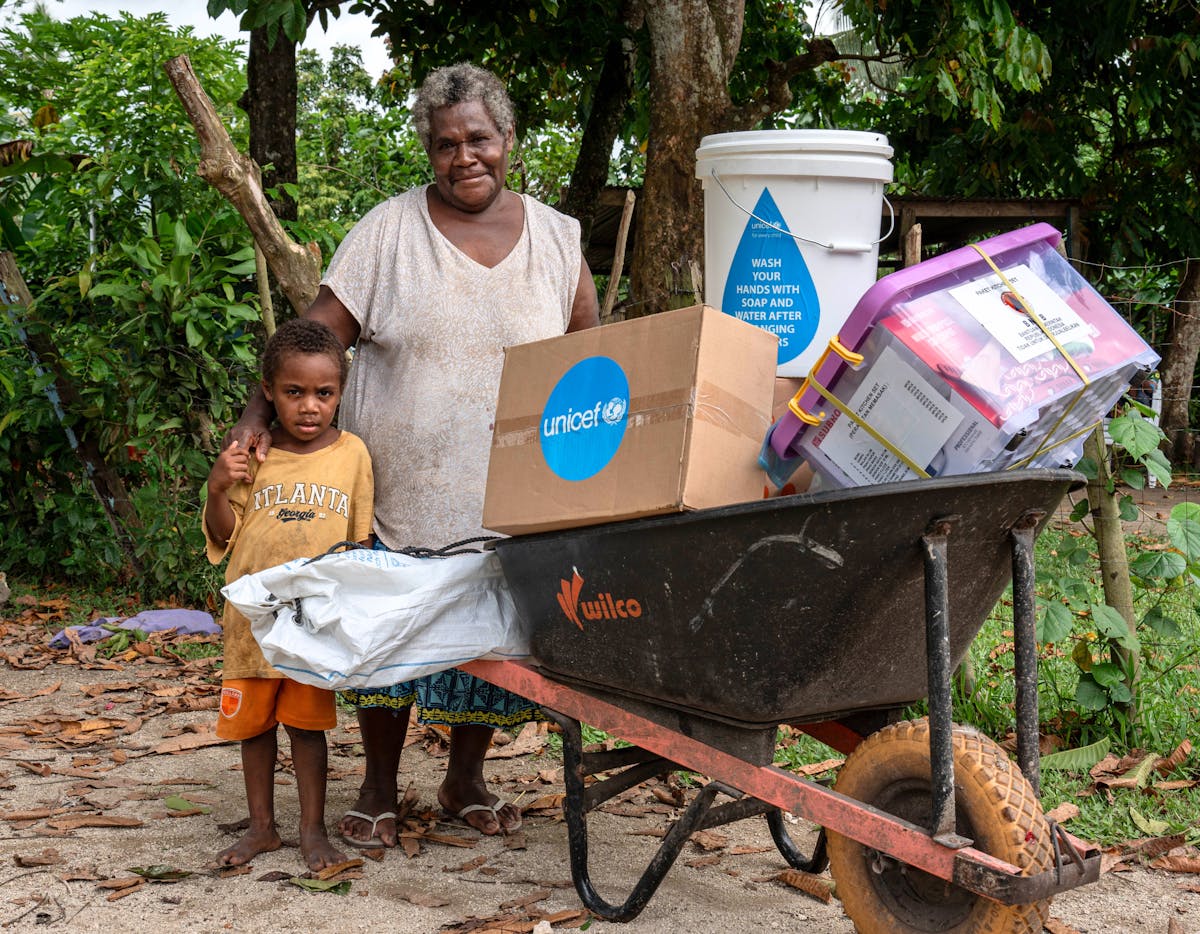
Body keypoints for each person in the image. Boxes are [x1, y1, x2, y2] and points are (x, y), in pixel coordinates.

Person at [227, 62, 599, 845]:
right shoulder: (390, 231)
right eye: (445, 144)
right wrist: (252, 419)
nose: (465, 157)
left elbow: (591, 362)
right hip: (399, 489)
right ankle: (378, 785)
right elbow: (318, 336)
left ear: (509, 141)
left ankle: (466, 775)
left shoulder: (559, 240)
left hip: (511, 493)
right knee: (387, 636)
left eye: (480, 139)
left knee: (489, 636)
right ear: (428, 151)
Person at [206, 318, 374, 869]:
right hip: (251, 623)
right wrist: (217, 486)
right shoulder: (252, 452)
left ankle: (311, 832)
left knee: (307, 729)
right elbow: (223, 534)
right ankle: (261, 828)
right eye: (293, 392)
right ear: (268, 392)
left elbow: (361, 542)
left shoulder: (353, 456)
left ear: (340, 395)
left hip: (313, 626)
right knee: (253, 730)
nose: (309, 407)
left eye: (323, 394)